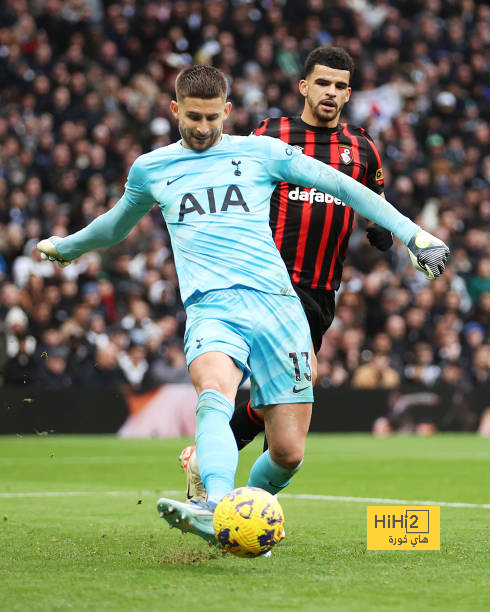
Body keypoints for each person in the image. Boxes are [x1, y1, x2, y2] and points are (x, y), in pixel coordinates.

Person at [37, 64, 449, 546]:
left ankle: (240, 523)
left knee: (289, 452)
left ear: (227, 112)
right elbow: (114, 226)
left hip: (279, 306)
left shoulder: (260, 152)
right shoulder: (152, 168)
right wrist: (67, 248)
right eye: (192, 117)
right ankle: (213, 504)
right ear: (174, 110)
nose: (202, 127)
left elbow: (344, 186)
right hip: (212, 307)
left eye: (212, 117)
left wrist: (413, 234)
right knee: (214, 389)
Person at [180, 46, 394, 502]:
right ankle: (223, 483)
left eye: (339, 86)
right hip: (270, 280)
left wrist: (381, 232)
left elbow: (373, 197)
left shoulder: (362, 149)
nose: (330, 92)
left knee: (278, 404)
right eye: (322, 83)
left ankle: (211, 465)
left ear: (349, 93)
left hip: (321, 291)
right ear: (304, 86)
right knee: (292, 380)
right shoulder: (270, 134)